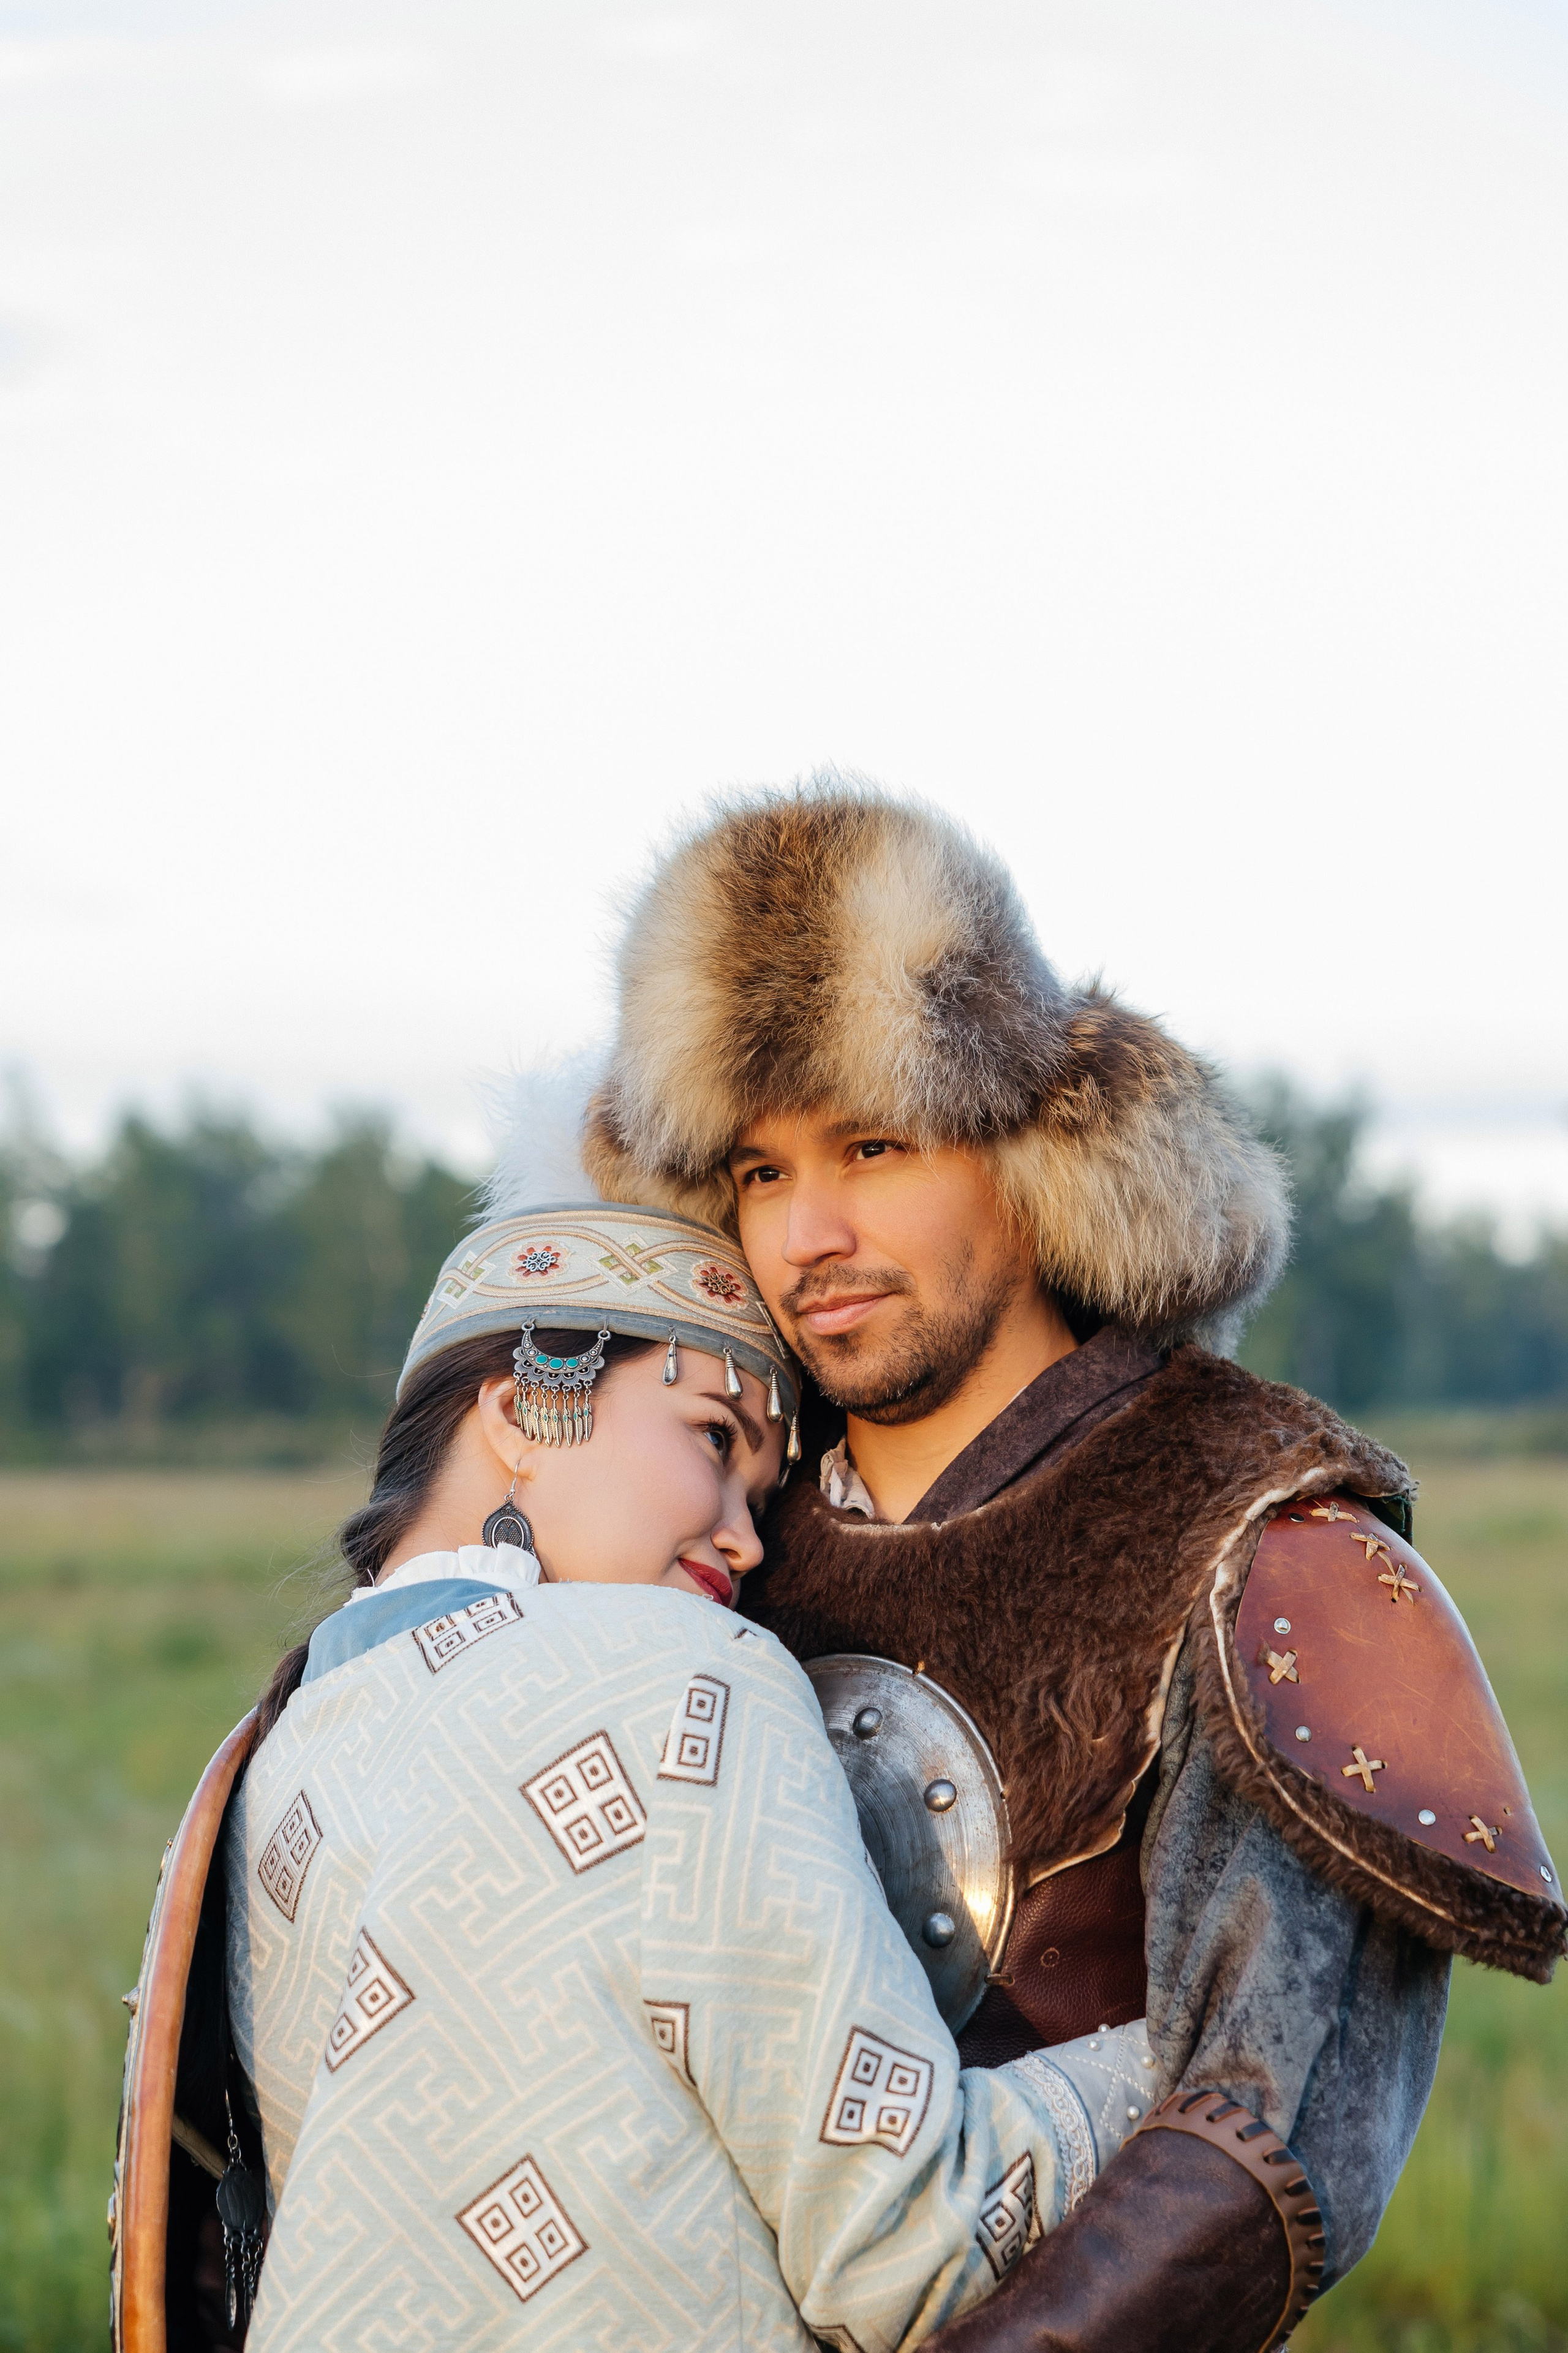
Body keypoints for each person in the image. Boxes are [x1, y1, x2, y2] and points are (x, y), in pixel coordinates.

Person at [566, 778, 1567, 2353]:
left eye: (872, 1144)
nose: (805, 1231)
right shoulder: (689, 1541)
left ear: (1033, 1158)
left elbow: (1266, 2137)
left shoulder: (1253, 1536)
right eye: (758, 1171)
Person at [213, 1202, 1150, 2353]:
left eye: (760, 1497)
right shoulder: (685, 1675)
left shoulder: (275, 1745)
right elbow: (907, 2238)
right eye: (714, 1438)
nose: (747, 1540)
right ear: (521, 1409)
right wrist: (1185, 2053)